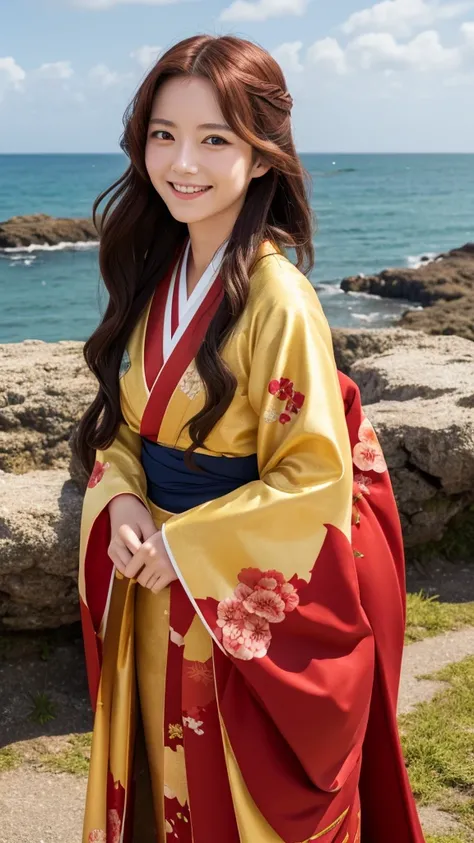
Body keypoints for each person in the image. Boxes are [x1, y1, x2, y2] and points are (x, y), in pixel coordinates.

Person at [75, 34, 426, 843]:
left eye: (215, 139)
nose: (181, 162)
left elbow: (312, 478)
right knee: (169, 791)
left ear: (262, 157)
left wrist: (190, 543)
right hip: (156, 585)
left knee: (231, 803)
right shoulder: (160, 271)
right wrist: (124, 494)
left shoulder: (281, 300)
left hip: (226, 617)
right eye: (163, 134)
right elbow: (128, 427)